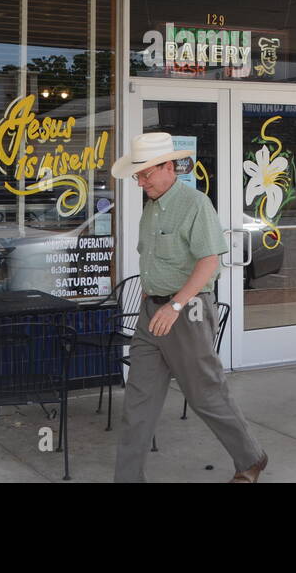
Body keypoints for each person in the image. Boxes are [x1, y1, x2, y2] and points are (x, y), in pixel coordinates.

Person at [110, 132, 268, 483]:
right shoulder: (150, 207)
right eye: (137, 175)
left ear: (169, 167)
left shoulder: (195, 204)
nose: (141, 181)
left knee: (205, 395)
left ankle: (251, 459)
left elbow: (209, 262)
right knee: (137, 404)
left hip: (187, 313)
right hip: (152, 313)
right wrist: (159, 307)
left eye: (147, 173)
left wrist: (176, 305)